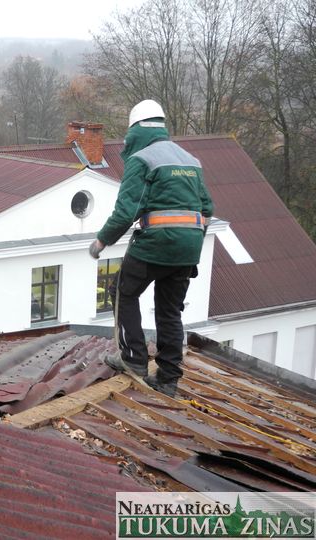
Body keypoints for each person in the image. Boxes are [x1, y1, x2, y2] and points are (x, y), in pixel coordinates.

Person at [88, 99, 214, 397]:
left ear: (135, 131)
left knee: (124, 291)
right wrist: (189, 235)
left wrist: (101, 241)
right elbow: (207, 208)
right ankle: (168, 379)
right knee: (170, 311)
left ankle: (134, 359)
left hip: (153, 245)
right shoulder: (190, 161)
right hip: (188, 249)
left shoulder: (141, 159)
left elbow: (125, 212)